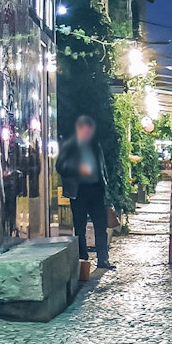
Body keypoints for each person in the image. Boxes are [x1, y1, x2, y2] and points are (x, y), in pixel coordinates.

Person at [56, 116, 115, 270]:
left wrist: (105, 185)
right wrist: (77, 169)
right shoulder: (70, 145)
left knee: (100, 226)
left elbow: (102, 168)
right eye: (85, 128)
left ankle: (103, 259)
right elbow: (60, 167)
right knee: (79, 226)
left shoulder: (96, 145)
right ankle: (83, 259)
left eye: (90, 129)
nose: (88, 132)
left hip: (96, 190)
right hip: (79, 191)